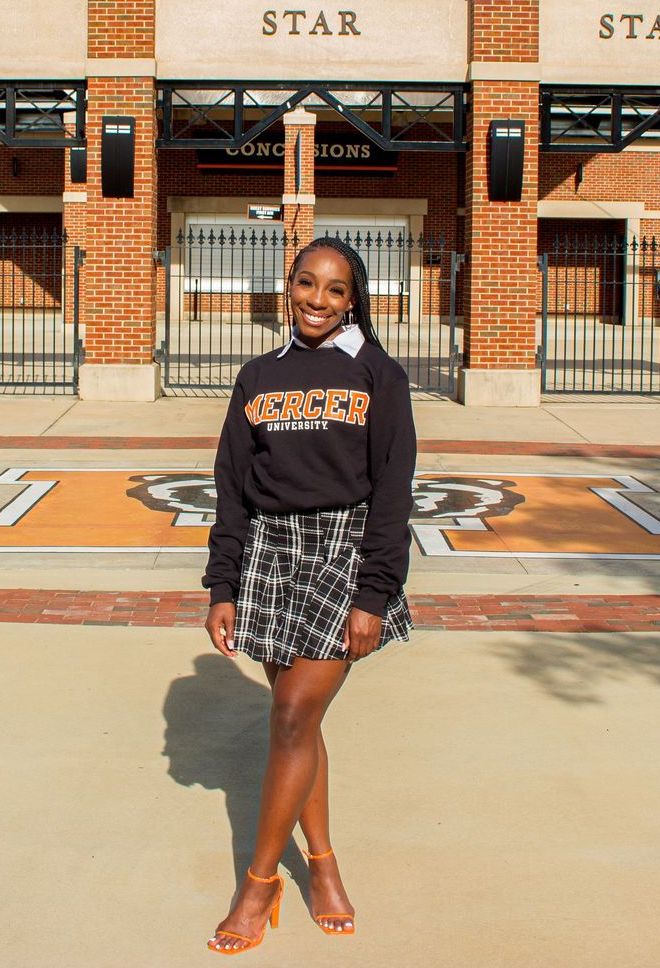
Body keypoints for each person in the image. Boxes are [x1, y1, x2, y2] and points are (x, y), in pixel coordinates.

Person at [201, 235, 416, 955]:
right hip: (270, 553)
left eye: (333, 289)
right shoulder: (258, 376)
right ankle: (322, 866)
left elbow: (393, 492)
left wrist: (375, 594)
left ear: (353, 298)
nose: (317, 300)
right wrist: (223, 584)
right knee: (301, 723)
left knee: (293, 714)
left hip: (344, 553)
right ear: (287, 287)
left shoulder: (378, 375)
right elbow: (231, 485)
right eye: (305, 283)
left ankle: (259, 883)